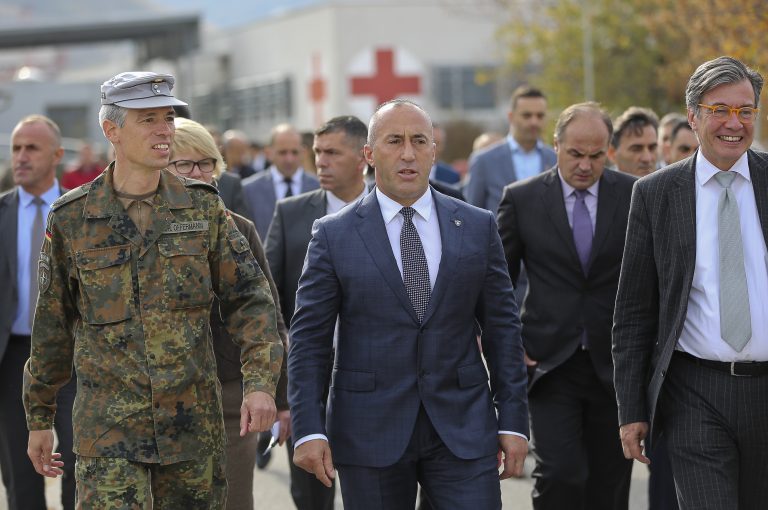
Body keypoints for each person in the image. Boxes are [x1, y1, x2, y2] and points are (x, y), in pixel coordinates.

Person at [22, 71, 283, 508]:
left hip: (192, 430)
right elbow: (52, 324)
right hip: (108, 433)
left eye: (168, 117)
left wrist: (261, 382)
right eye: (148, 119)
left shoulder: (203, 208)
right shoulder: (71, 219)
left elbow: (252, 300)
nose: (165, 129)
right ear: (112, 130)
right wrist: (38, 416)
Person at [288, 99, 529, 509]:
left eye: (420, 140)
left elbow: (503, 330)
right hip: (369, 430)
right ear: (369, 154)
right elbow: (310, 340)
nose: (407, 153)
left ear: (434, 150)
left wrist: (514, 420)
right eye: (394, 140)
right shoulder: (333, 236)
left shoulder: (476, 226)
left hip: (462, 426)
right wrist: (309, 429)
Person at [613, 56, 768, 509]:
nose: (733, 123)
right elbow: (633, 312)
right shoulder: (656, 194)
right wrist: (631, 411)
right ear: (694, 115)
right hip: (696, 393)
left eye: (746, 111)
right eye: (719, 110)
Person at [497, 102, 635, 510]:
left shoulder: (633, 195)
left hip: (615, 365)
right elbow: (497, 281)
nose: (585, 165)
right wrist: (507, 344)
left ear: (608, 151)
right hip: (549, 363)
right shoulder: (521, 200)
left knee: (609, 481)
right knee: (560, 474)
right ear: (555, 145)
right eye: (575, 154)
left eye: (596, 156)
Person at [168, 116, 290, 510]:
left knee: (233, 501)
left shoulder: (241, 230)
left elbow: (268, 319)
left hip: (229, 398)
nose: (197, 172)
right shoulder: (138, 233)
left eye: (206, 163)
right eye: (183, 164)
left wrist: (281, 398)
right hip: (159, 401)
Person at [266, 115, 370, 510]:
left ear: (364, 157)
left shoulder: (392, 212)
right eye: (318, 153)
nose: (321, 162)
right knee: (310, 491)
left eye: (332, 153)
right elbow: (270, 297)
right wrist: (281, 389)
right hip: (309, 373)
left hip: (376, 375)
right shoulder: (292, 213)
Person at [0, 115, 76, 510]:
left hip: (74, 357)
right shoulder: (2, 212)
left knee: (80, 464)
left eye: (32, 148)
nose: (21, 157)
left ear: (57, 155)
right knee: (19, 472)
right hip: (13, 357)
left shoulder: (81, 211)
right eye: (16, 148)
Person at [465, 85, 556, 212]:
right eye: (527, 115)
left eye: (540, 116)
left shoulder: (556, 159)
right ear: (511, 117)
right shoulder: (484, 161)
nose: (534, 122)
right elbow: (472, 213)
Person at [242, 124, 320, 239]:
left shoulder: (318, 187)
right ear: (269, 153)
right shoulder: (248, 189)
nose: (289, 159)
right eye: (283, 152)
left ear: (303, 152)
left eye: (294, 152)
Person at [608, 106, 659, 177]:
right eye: (636, 149)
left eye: (652, 148)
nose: (647, 158)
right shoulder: (599, 187)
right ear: (612, 153)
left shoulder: (668, 185)